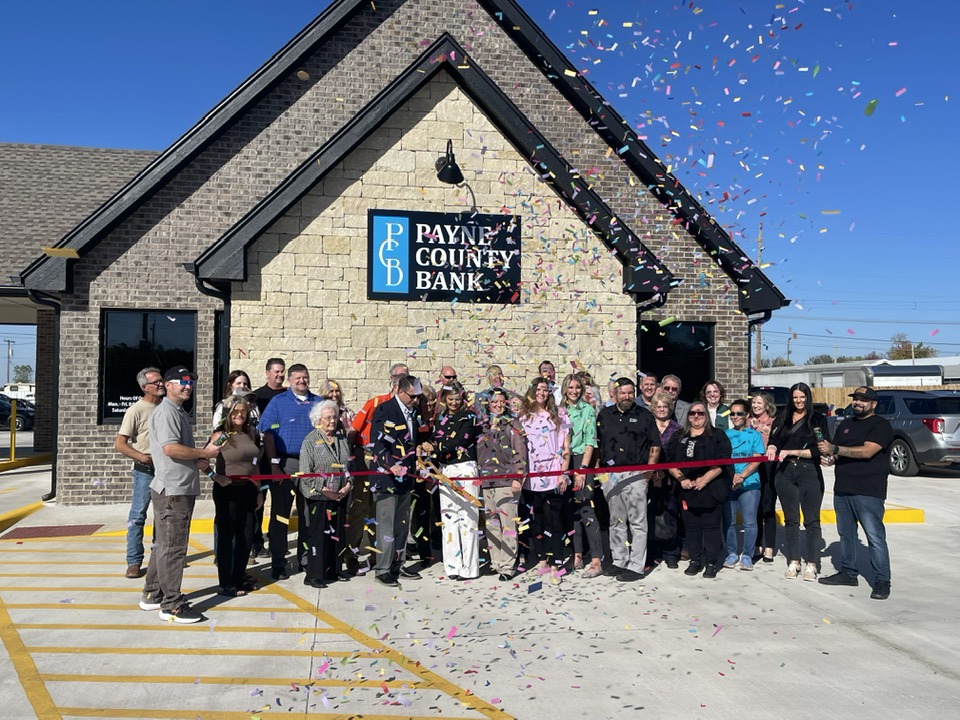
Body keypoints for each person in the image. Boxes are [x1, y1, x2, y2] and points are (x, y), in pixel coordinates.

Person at [139, 366, 220, 624]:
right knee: (174, 548)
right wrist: (203, 453)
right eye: (181, 381)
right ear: (169, 385)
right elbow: (171, 449)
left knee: (163, 545)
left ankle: (152, 594)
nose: (187, 385)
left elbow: (177, 450)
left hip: (176, 487)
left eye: (190, 381)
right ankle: (171, 604)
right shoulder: (166, 412)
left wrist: (198, 458)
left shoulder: (176, 411)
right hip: (173, 491)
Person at [817, 386, 895, 600]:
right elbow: (839, 452)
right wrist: (830, 459)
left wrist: (835, 450)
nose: (858, 402)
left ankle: (882, 580)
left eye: (863, 399)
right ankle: (848, 573)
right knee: (846, 534)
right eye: (855, 399)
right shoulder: (846, 424)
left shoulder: (881, 425)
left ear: (873, 404)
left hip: (869, 490)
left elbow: (868, 451)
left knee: (875, 537)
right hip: (843, 488)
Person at [596, 378, 661, 582]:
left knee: (638, 523)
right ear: (615, 394)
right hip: (610, 476)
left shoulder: (644, 415)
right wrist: (600, 473)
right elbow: (597, 444)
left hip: (636, 475)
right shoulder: (604, 415)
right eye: (623, 393)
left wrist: (647, 474)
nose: (627, 396)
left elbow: (655, 446)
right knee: (616, 521)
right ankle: (619, 561)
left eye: (630, 392)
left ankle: (636, 566)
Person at [260, 363, 320, 580]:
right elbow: (267, 434)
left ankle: (305, 559)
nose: (302, 381)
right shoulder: (278, 402)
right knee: (280, 515)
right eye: (298, 378)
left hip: (311, 466)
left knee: (307, 515)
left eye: (305, 377)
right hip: (286, 463)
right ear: (290, 381)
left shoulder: (318, 402)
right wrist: (274, 464)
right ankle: (278, 562)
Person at [765, 382, 829, 582]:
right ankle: (794, 560)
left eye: (802, 397)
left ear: (808, 398)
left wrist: (793, 451)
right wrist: (773, 448)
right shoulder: (782, 418)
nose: (799, 401)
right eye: (795, 397)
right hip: (785, 473)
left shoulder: (817, 420)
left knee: (812, 520)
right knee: (791, 519)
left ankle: (812, 562)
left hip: (809, 471)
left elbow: (821, 449)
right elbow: (775, 439)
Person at [348, 362, 408, 575]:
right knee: (360, 509)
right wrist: (350, 458)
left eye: (405, 376)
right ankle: (352, 555)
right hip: (368, 460)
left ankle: (379, 556)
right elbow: (354, 429)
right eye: (398, 376)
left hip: (397, 467)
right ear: (391, 379)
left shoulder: (409, 407)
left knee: (381, 513)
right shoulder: (376, 402)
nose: (401, 379)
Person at [663, 401, 733, 579]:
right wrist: (681, 479)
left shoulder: (717, 435)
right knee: (692, 528)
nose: (696, 416)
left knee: (710, 527)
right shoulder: (679, 436)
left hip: (711, 488)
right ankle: (695, 560)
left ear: (706, 416)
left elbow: (723, 462)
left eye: (700, 413)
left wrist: (704, 479)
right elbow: (669, 462)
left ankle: (711, 562)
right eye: (692, 413)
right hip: (687, 490)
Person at [370, 373, 427, 587]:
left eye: (418, 397)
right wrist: (390, 465)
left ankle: (398, 564)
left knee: (402, 524)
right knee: (386, 525)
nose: (416, 400)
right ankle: (383, 569)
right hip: (387, 478)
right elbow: (378, 444)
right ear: (400, 391)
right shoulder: (385, 410)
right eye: (413, 396)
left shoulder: (412, 413)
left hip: (406, 479)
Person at [208, 394, 263, 596]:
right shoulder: (223, 436)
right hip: (227, 490)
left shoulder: (251, 434)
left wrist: (259, 490)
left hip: (248, 490)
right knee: (226, 536)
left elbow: (254, 465)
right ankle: (226, 583)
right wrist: (215, 477)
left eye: (243, 412)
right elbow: (203, 460)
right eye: (236, 412)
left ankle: (239, 577)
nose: (240, 415)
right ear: (228, 414)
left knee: (246, 535)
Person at [518, 377, 571, 582]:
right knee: (536, 519)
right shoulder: (523, 416)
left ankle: (556, 562)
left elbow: (565, 448)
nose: (542, 393)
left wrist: (562, 473)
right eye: (538, 389)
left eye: (545, 390)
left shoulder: (559, 414)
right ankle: (541, 557)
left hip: (553, 472)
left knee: (554, 519)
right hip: (532, 475)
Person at [298, 399, 354, 589]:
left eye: (334, 417)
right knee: (318, 536)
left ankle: (334, 569)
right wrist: (326, 490)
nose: (332, 421)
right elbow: (305, 472)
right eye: (328, 417)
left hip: (339, 494)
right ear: (318, 419)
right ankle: (314, 574)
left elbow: (349, 467)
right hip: (319, 495)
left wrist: (347, 485)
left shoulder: (341, 439)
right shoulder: (310, 441)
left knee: (337, 534)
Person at [429, 380, 482, 580]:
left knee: (468, 518)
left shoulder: (469, 416)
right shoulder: (439, 418)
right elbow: (437, 440)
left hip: (465, 468)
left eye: (457, 399)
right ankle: (452, 566)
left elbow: (460, 440)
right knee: (449, 518)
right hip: (445, 469)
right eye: (450, 399)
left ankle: (469, 568)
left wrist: (434, 448)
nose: (453, 402)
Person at [115, 366, 165, 579]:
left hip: (165, 469)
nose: (161, 384)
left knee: (163, 516)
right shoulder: (136, 410)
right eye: (156, 382)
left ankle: (159, 556)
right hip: (145, 470)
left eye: (162, 380)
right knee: (138, 515)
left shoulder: (167, 408)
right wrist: (141, 457)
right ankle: (134, 561)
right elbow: (120, 443)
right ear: (145, 387)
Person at [477, 388, 527, 581]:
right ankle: (496, 562)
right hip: (486, 481)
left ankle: (507, 566)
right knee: (492, 525)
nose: (498, 405)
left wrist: (518, 476)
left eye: (501, 402)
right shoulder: (482, 425)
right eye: (494, 402)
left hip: (507, 480)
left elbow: (520, 452)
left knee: (508, 525)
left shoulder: (513, 423)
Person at [559, 373, 602, 579]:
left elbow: (590, 441)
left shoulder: (587, 410)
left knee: (587, 509)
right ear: (565, 389)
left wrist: (582, 469)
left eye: (578, 387)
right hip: (562, 462)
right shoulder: (559, 410)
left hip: (581, 461)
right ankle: (577, 555)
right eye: (571, 388)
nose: (574, 391)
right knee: (571, 512)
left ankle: (596, 559)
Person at [722, 400, 765, 571]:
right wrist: (733, 476)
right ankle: (732, 553)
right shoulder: (725, 434)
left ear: (747, 415)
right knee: (730, 522)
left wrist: (742, 476)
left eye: (739, 413)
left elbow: (756, 458)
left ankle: (747, 555)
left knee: (749, 522)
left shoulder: (754, 435)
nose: (735, 417)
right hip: (730, 483)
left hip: (750, 484)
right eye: (732, 413)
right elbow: (723, 459)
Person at [251, 358, 285, 557]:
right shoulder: (258, 397)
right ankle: (257, 542)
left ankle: (275, 536)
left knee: (280, 501)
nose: (279, 375)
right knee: (259, 500)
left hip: (282, 457)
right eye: (276, 372)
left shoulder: (289, 395)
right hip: (263, 459)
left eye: (282, 372)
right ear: (267, 373)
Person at [647, 390, 683, 569]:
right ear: (653, 408)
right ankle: (653, 552)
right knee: (649, 515)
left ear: (671, 408)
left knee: (670, 515)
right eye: (658, 406)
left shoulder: (678, 430)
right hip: (649, 478)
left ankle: (671, 553)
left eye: (665, 406)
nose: (661, 410)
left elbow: (680, 457)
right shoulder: (647, 426)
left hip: (671, 479)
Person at [749, 392, 778, 562]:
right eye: (754, 402)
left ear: (767, 405)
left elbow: (776, 439)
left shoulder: (774, 422)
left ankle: (770, 547)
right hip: (752, 466)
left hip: (768, 467)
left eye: (759, 403)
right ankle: (757, 544)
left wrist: (763, 430)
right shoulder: (748, 421)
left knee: (768, 506)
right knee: (755, 507)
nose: (756, 405)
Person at [319, 378, 356, 446]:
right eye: (331, 391)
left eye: (337, 391)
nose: (335, 394)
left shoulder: (348, 412)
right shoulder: (318, 412)